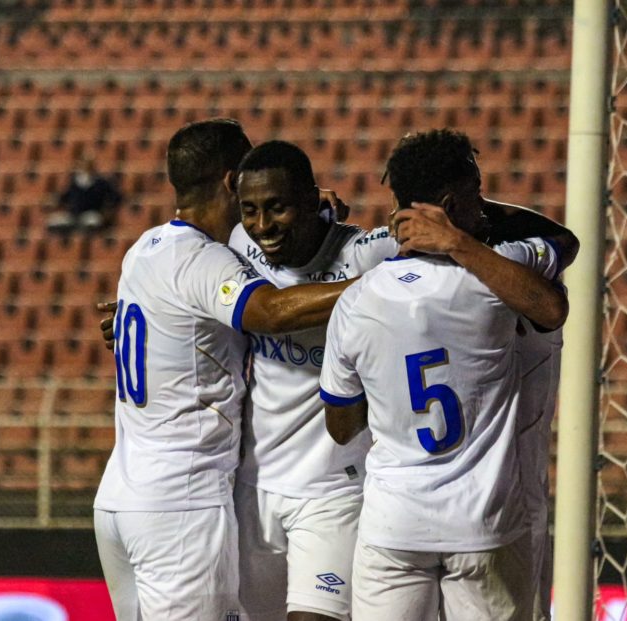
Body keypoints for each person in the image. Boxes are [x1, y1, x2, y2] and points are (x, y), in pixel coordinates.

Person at [93, 119, 356, 621]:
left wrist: (309, 208)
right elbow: (271, 312)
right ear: (234, 181)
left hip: (120, 498)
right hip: (180, 503)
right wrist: (377, 284)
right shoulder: (203, 260)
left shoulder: (144, 248)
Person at [319, 128, 571, 620]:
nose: (485, 208)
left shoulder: (355, 300)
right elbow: (558, 268)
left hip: (394, 525)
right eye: (478, 193)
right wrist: (460, 241)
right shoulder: (497, 277)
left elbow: (341, 425)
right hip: (483, 524)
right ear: (454, 204)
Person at [228, 141, 398, 621]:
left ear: (310, 198)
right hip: (251, 486)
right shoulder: (238, 244)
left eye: (277, 207)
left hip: (333, 490)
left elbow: (460, 233)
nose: (263, 225)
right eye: (250, 210)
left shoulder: (365, 254)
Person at [395, 200, 575, 621]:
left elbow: (564, 243)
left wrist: (456, 232)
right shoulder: (488, 280)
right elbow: (562, 241)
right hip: (470, 512)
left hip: (486, 510)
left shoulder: (512, 279)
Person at [47, 155, 122, 233]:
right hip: (73, 215)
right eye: (83, 163)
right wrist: (54, 200)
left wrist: (108, 211)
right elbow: (65, 197)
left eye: (88, 164)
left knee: (92, 223)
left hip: (92, 214)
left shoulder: (100, 182)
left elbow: (116, 196)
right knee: (53, 221)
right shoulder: (74, 181)